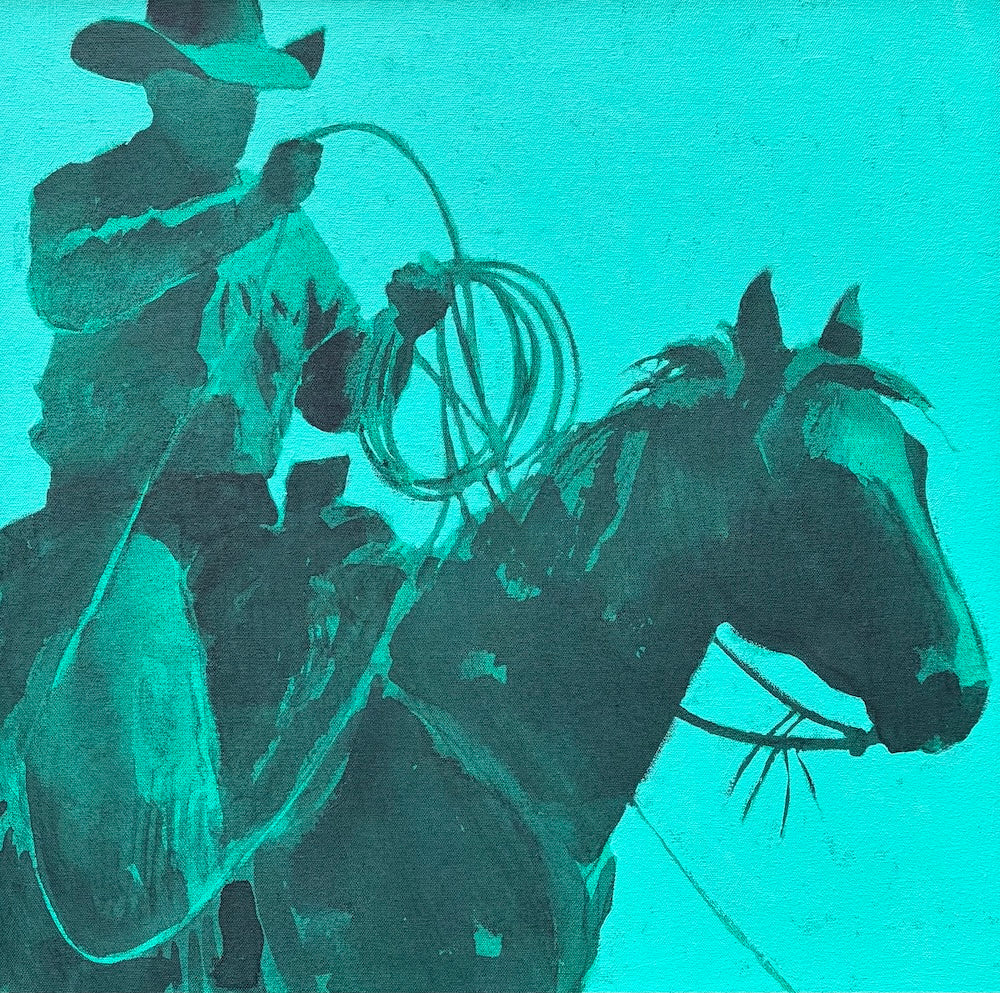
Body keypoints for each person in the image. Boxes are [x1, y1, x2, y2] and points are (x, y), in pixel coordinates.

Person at [0, 1, 448, 987]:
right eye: (221, 89)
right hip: (109, 526)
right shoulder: (80, 196)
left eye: (249, 92)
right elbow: (70, 291)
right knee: (140, 638)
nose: (242, 112)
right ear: (162, 88)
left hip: (246, 525)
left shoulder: (292, 235)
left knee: (380, 608)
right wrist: (250, 214)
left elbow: (335, 396)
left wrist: (400, 334)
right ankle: (149, 928)